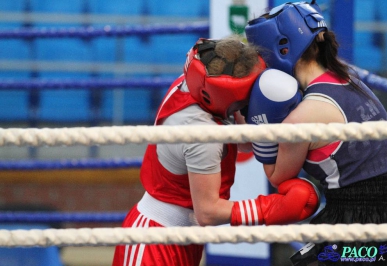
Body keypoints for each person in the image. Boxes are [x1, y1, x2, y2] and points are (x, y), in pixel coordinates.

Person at [112, 35, 320, 266]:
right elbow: (208, 212)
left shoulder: (195, 82)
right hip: (154, 242)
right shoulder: (201, 133)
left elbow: (242, 142)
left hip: (183, 237)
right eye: (243, 100)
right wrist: (270, 208)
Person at [244, 1, 387, 265]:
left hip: (359, 223)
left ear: (282, 48)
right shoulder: (348, 76)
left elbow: (277, 176)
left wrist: (259, 121)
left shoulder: (302, 117)